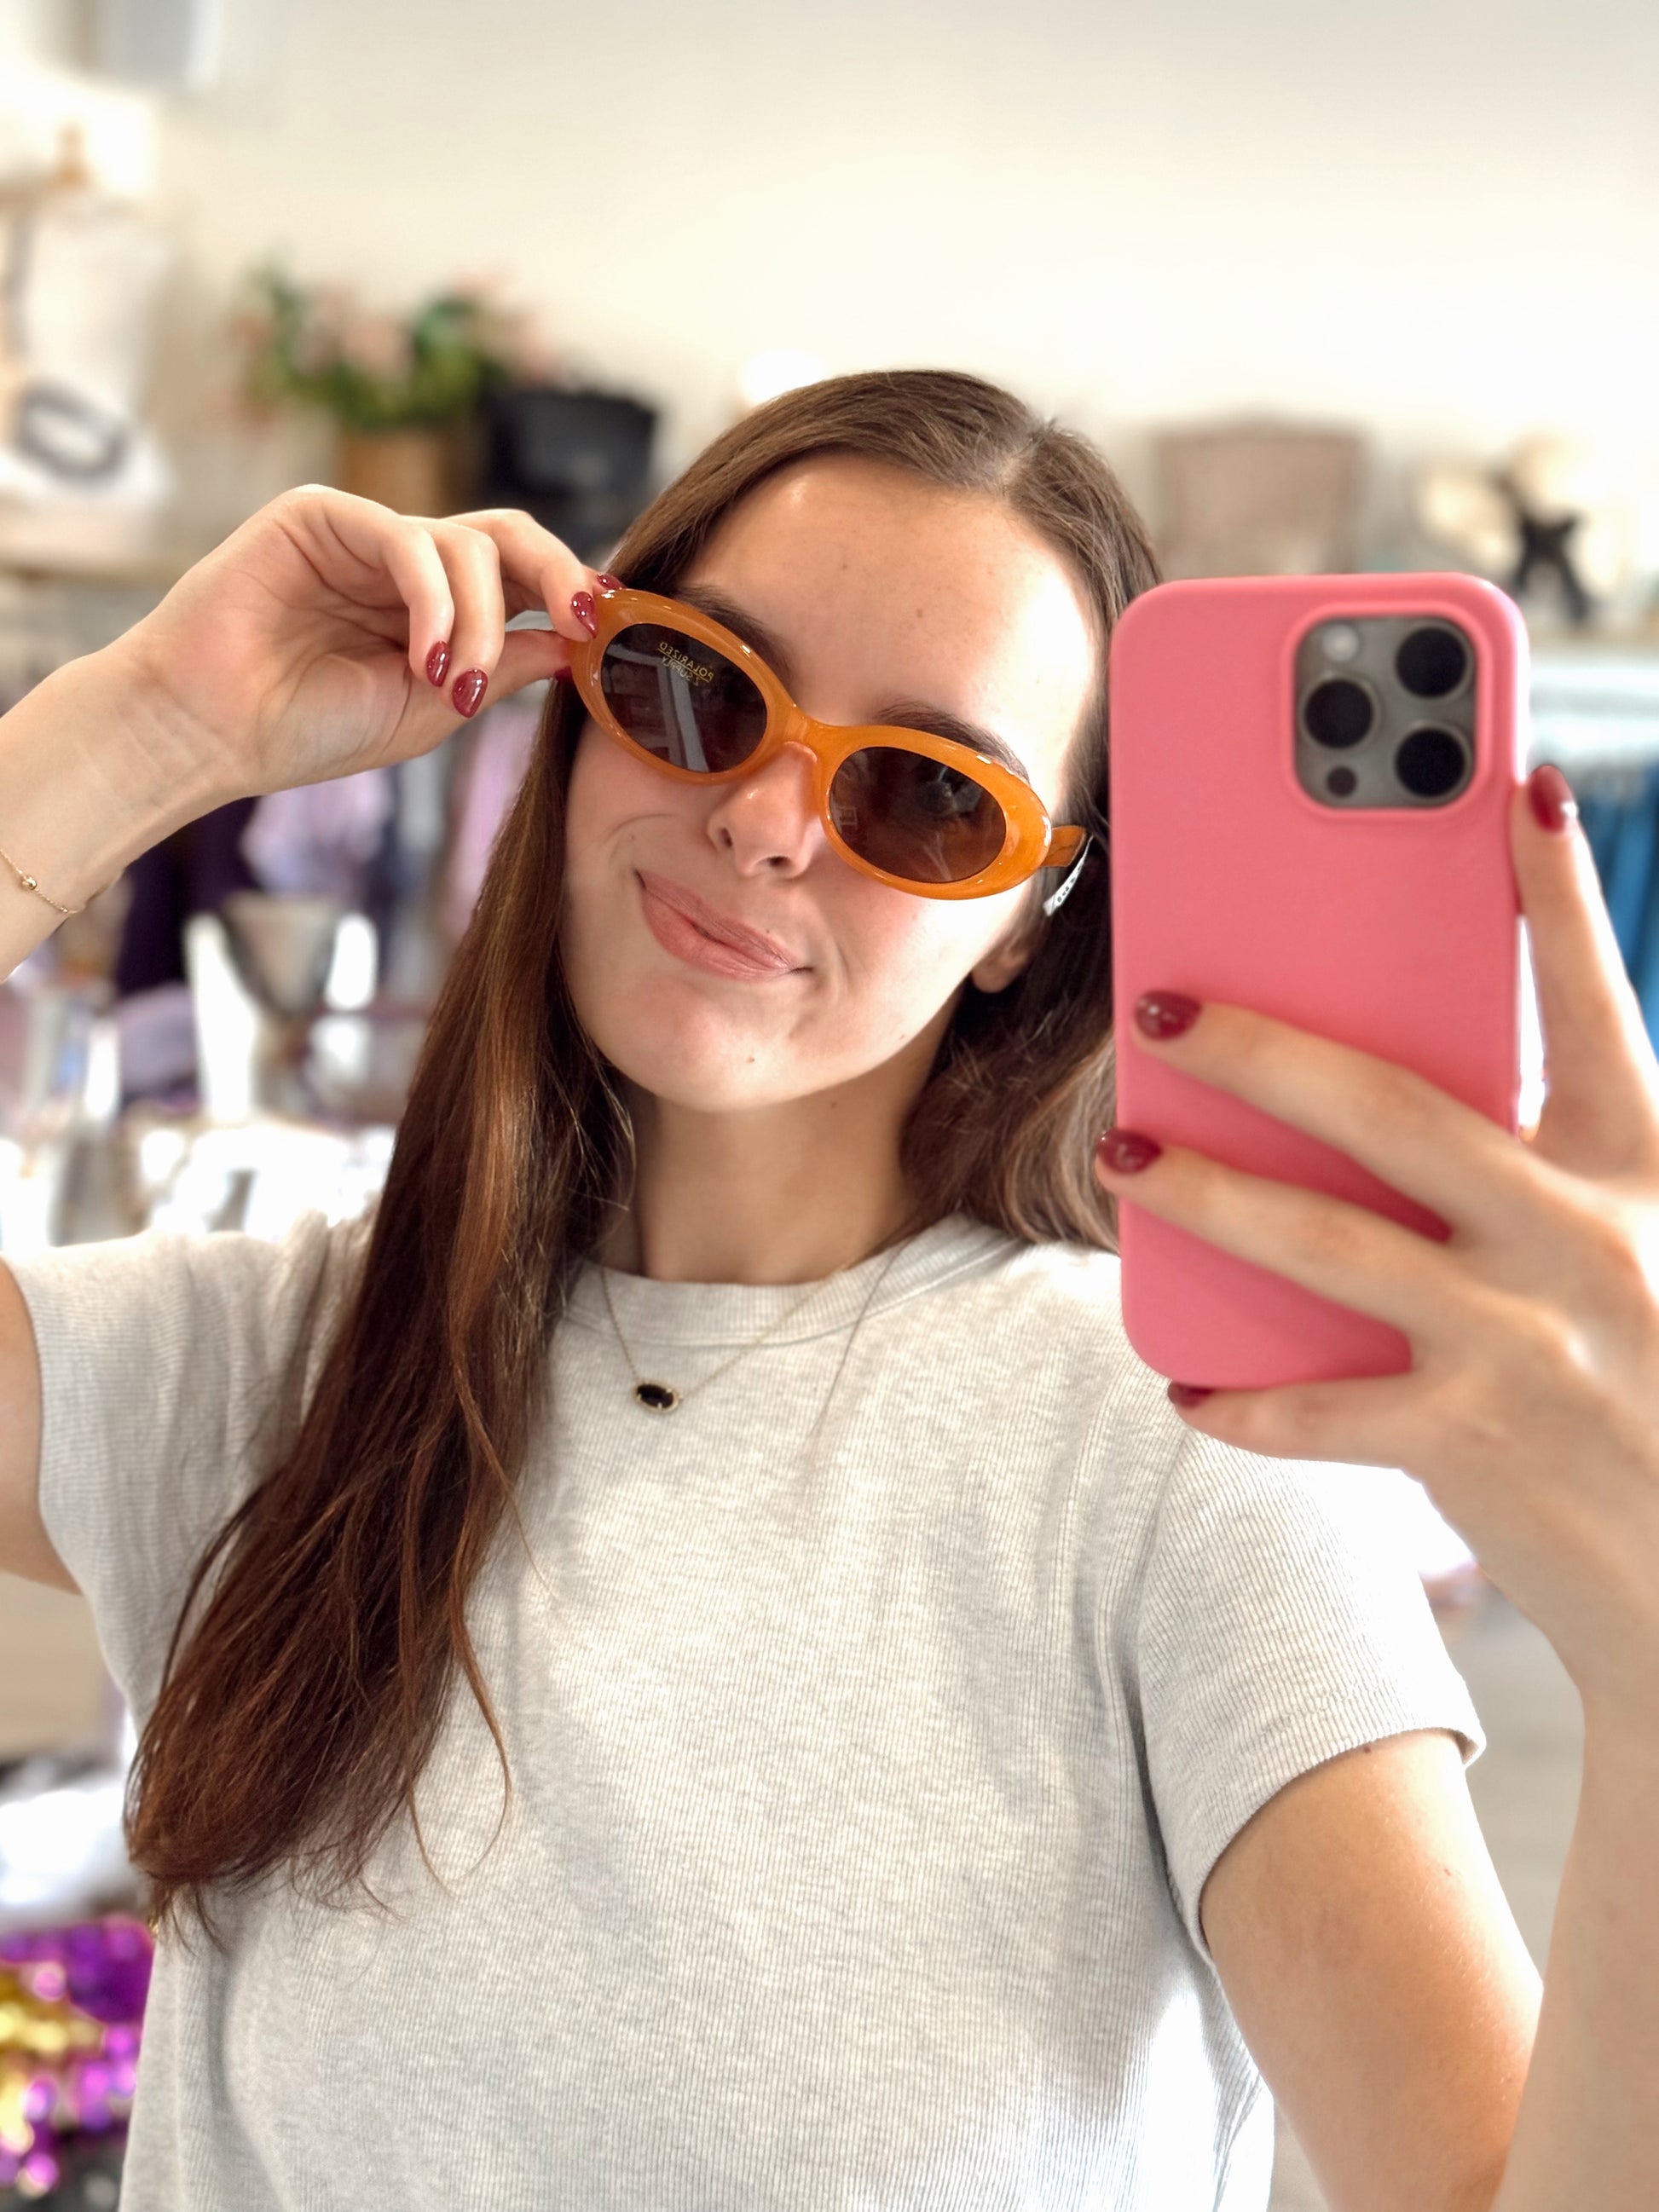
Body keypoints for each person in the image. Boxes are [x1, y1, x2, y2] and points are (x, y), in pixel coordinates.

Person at [0, 371, 1655, 2211]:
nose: (770, 819)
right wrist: (143, 729)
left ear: (1026, 917)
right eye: (701, 690)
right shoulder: (268, 1363)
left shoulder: (1181, 1459)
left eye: (929, 798)